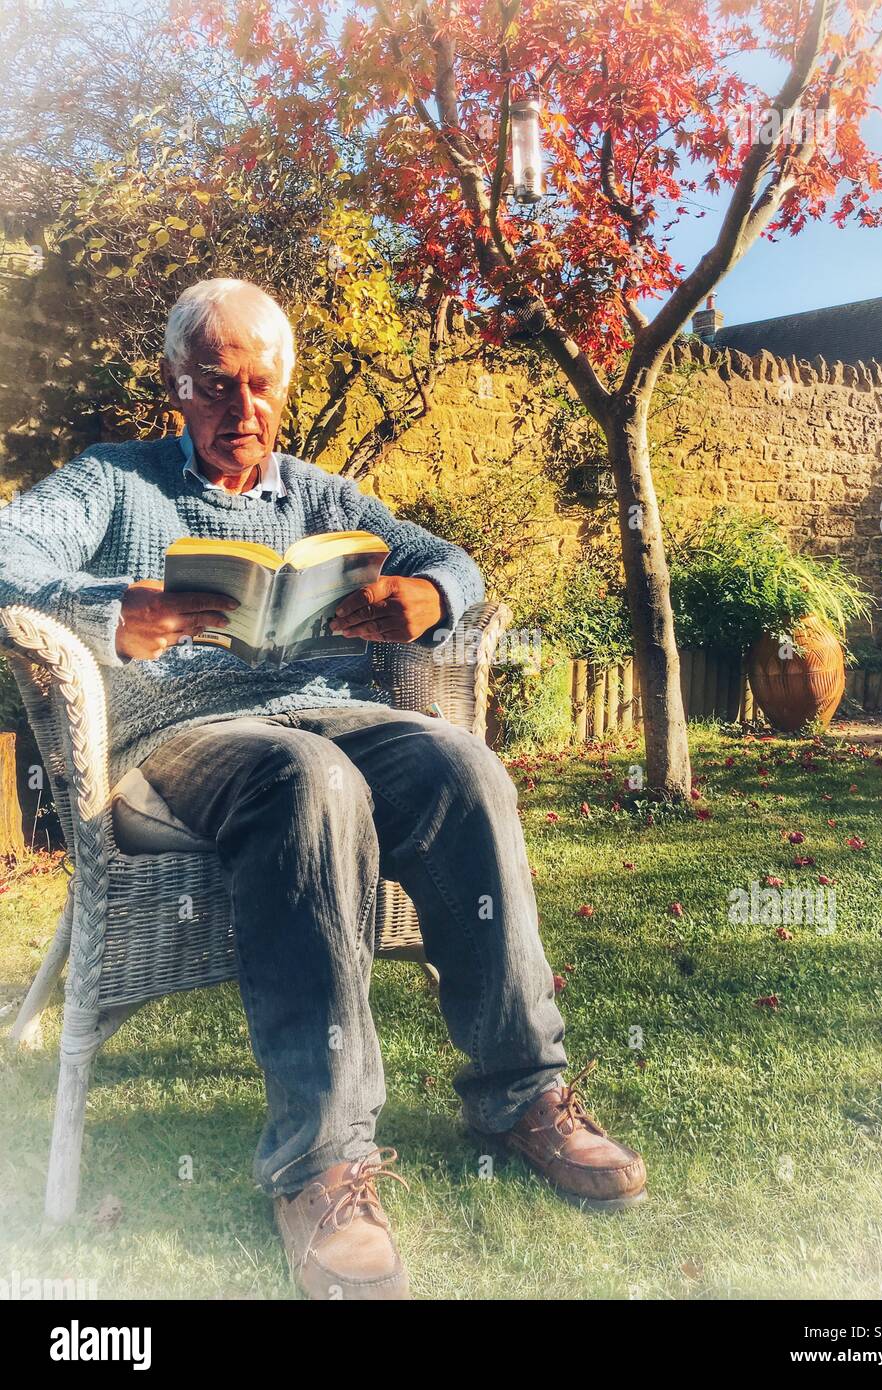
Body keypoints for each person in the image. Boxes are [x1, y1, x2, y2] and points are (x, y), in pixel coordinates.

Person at [0, 278, 646, 1300]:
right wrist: (111, 605)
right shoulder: (112, 483)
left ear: (284, 389)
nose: (240, 411)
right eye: (216, 386)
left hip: (332, 712)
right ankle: (322, 1164)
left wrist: (425, 594)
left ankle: (520, 1091)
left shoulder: (322, 496)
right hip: (182, 735)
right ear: (178, 386)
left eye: (259, 388)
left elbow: (450, 559)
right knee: (309, 779)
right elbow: (6, 550)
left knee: (462, 766)